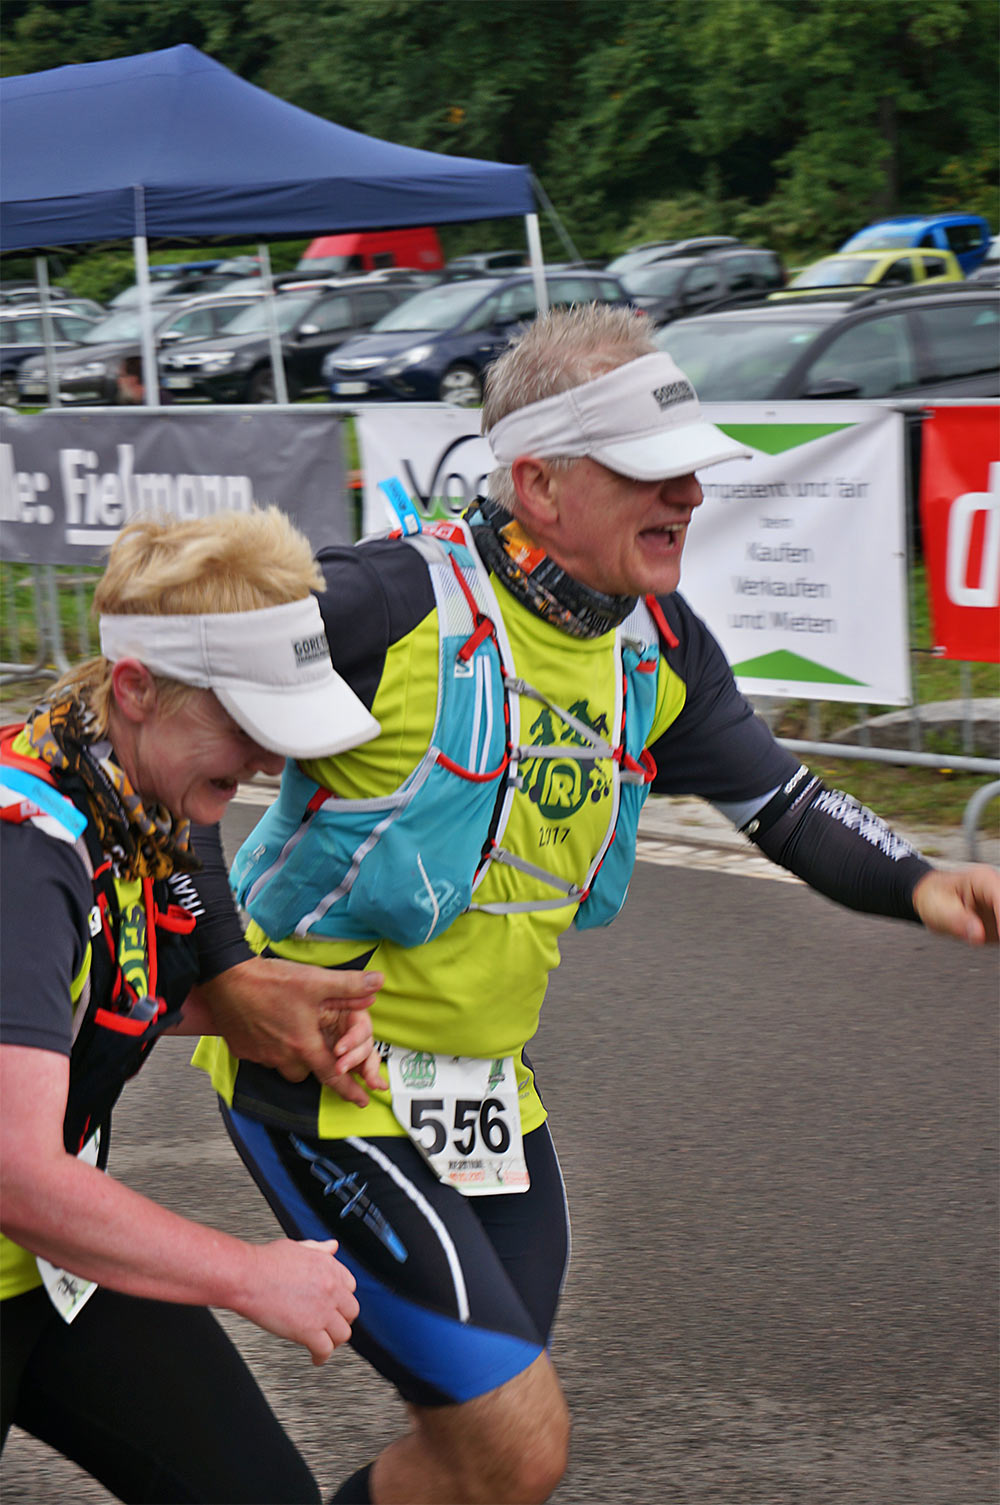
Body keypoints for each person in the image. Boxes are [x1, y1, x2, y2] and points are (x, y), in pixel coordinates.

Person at [193, 305, 1000, 1505]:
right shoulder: (387, 600)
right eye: (649, 473)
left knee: (486, 1462)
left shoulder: (656, 643)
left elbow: (780, 799)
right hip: (321, 1085)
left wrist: (924, 875)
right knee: (519, 1441)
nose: (687, 495)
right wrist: (226, 972)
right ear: (539, 482)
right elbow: (152, 743)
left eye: (692, 471)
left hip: (484, 1093)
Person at [0, 507, 389, 1504]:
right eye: (247, 721)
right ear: (134, 686)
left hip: (50, 1270)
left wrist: (261, 1010)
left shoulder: (123, 790)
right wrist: (246, 1273)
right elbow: (17, 1174)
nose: (267, 759)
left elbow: (72, 999)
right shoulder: (24, 847)